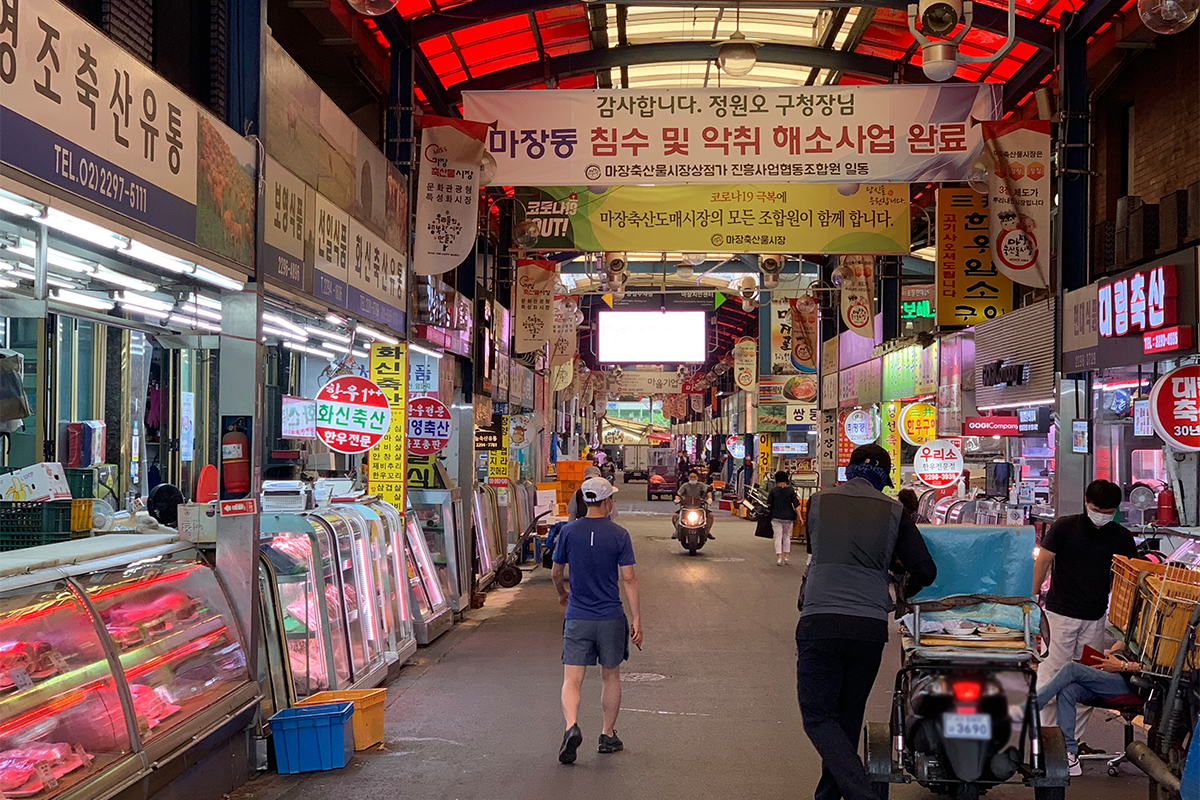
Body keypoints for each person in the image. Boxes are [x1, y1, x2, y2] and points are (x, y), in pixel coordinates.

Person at [797, 443, 937, 800]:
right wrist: (899, 581)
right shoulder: (895, 512)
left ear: (849, 470)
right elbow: (926, 570)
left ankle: (862, 794)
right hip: (868, 627)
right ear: (885, 478)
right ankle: (827, 796)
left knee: (817, 717)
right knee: (845, 719)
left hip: (821, 618)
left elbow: (818, 547)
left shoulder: (818, 502)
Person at [1033, 479, 1138, 743]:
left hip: (1095, 618)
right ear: (1086, 502)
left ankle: (1072, 742)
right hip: (1059, 615)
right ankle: (1046, 740)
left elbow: (1133, 575)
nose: (1101, 515)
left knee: (1087, 680)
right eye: (1097, 508)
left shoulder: (1121, 537)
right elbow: (1043, 560)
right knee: (1052, 675)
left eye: (1108, 511)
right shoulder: (1064, 527)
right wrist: (1032, 598)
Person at [551, 477, 642, 765]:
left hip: (578, 615)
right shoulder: (619, 534)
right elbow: (628, 578)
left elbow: (556, 572)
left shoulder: (568, 532)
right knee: (610, 675)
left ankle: (571, 727)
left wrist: (562, 593)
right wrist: (637, 618)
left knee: (572, 679)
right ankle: (607, 735)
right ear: (607, 502)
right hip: (610, 617)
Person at [1036, 646, 1142, 776]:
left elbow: (1156, 669)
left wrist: (1122, 665)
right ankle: (1069, 754)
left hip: (1136, 683)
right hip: (1118, 673)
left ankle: (1034, 703)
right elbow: (1123, 643)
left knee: (1071, 669)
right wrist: (1109, 657)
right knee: (1068, 691)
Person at [767, 470, 801, 566]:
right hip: (788, 517)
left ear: (776, 480)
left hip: (776, 516)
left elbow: (768, 504)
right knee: (786, 536)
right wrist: (800, 517)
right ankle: (787, 557)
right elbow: (796, 505)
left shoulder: (773, 491)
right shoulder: (790, 490)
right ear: (786, 479)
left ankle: (779, 558)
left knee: (778, 537)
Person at [673, 469, 715, 540]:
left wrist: (709, 499)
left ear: (697, 478)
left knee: (711, 515)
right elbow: (678, 494)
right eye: (691, 477)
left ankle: (707, 532)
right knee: (674, 516)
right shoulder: (685, 486)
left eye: (694, 477)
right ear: (688, 478)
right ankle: (677, 531)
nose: (693, 478)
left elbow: (708, 492)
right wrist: (677, 499)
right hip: (686, 507)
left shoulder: (701, 485)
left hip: (699, 507)